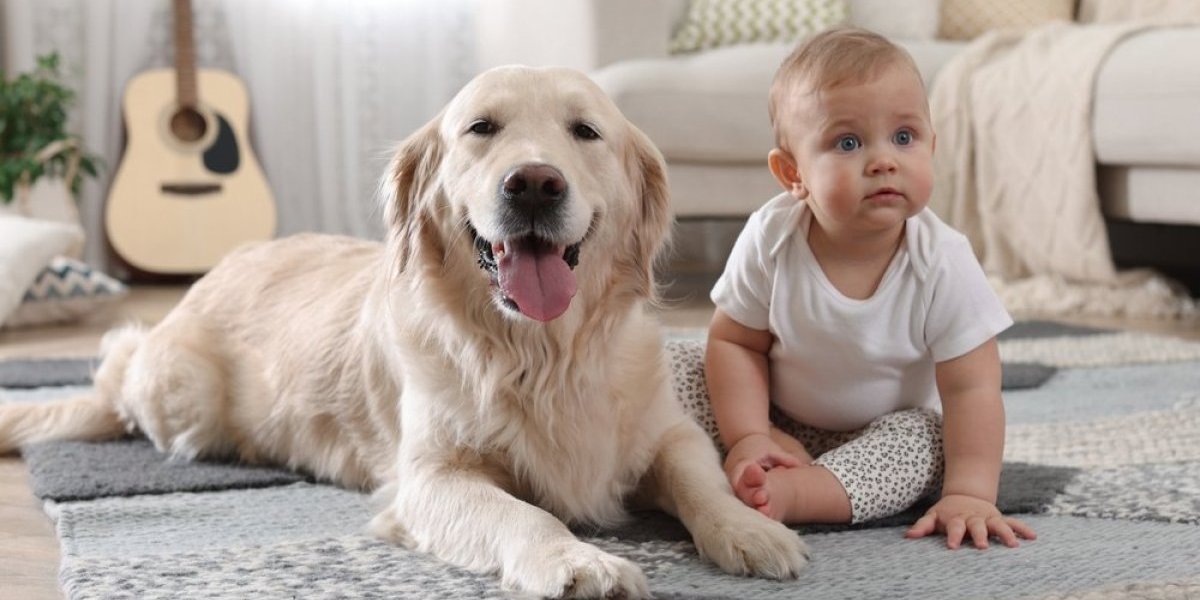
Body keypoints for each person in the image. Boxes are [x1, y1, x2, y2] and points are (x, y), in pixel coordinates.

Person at [703, 27, 1037, 549]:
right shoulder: (771, 238)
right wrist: (748, 433)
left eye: (904, 137)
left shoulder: (942, 261)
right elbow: (734, 343)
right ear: (794, 173)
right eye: (848, 143)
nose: (884, 160)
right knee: (670, 369)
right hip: (775, 416)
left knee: (925, 446)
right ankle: (761, 459)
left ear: (931, 145)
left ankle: (795, 492)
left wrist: (971, 493)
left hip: (883, 435)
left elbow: (971, 387)